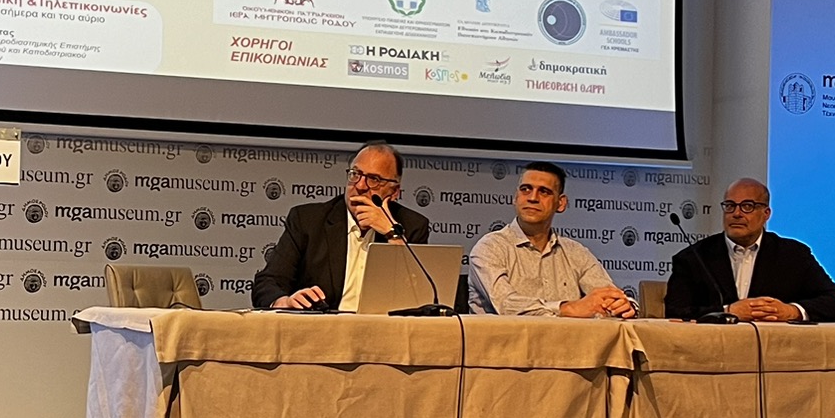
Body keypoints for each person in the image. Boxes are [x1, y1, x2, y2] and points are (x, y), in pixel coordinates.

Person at [252, 141, 430, 310]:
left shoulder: (412, 226)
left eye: (374, 179)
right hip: (324, 327)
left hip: (383, 328)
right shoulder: (308, 221)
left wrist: (392, 234)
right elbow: (268, 282)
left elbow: (420, 295)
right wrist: (285, 302)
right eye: (355, 174)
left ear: (394, 191)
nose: (360, 186)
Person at [664, 177, 835, 322]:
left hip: (776, 352)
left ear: (766, 214)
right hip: (712, 351)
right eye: (730, 206)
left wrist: (792, 311)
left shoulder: (793, 255)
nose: (736, 213)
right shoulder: (694, 258)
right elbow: (674, 312)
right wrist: (728, 311)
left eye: (747, 206)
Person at [467, 162, 635, 317]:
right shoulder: (489, 248)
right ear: (515, 197)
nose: (533, 198)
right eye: (525, 189)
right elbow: (506, 305)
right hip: (506, 340)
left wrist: (622, 305)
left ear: (561, 203)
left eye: (544, 192)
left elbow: (609, 294)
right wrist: (568, 308)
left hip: (568, 340)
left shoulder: (576, 253)